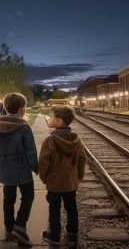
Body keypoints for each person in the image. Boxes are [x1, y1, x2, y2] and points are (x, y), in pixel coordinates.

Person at [0, 93, 38, 247]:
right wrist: (35, 167)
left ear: (5, 107)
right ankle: (20, 226)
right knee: (28, 196)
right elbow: (30, 150)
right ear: (22, 109)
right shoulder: (24, 128)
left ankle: (9, 227)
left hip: (5, 169)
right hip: (22, 169)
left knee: (8, 198)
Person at [39, 105, 86, 247]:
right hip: (70, 181)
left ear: (59, 121)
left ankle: (54, 235)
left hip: (54, 181)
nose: (49, 118)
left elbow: (43, 162)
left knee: (54, 207)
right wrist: (78, 176)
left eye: (51, 116)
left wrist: (44, 178)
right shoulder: (76, 141)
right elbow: (82, 159)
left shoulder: (50, 141)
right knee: (71, 207)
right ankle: (72, 235)